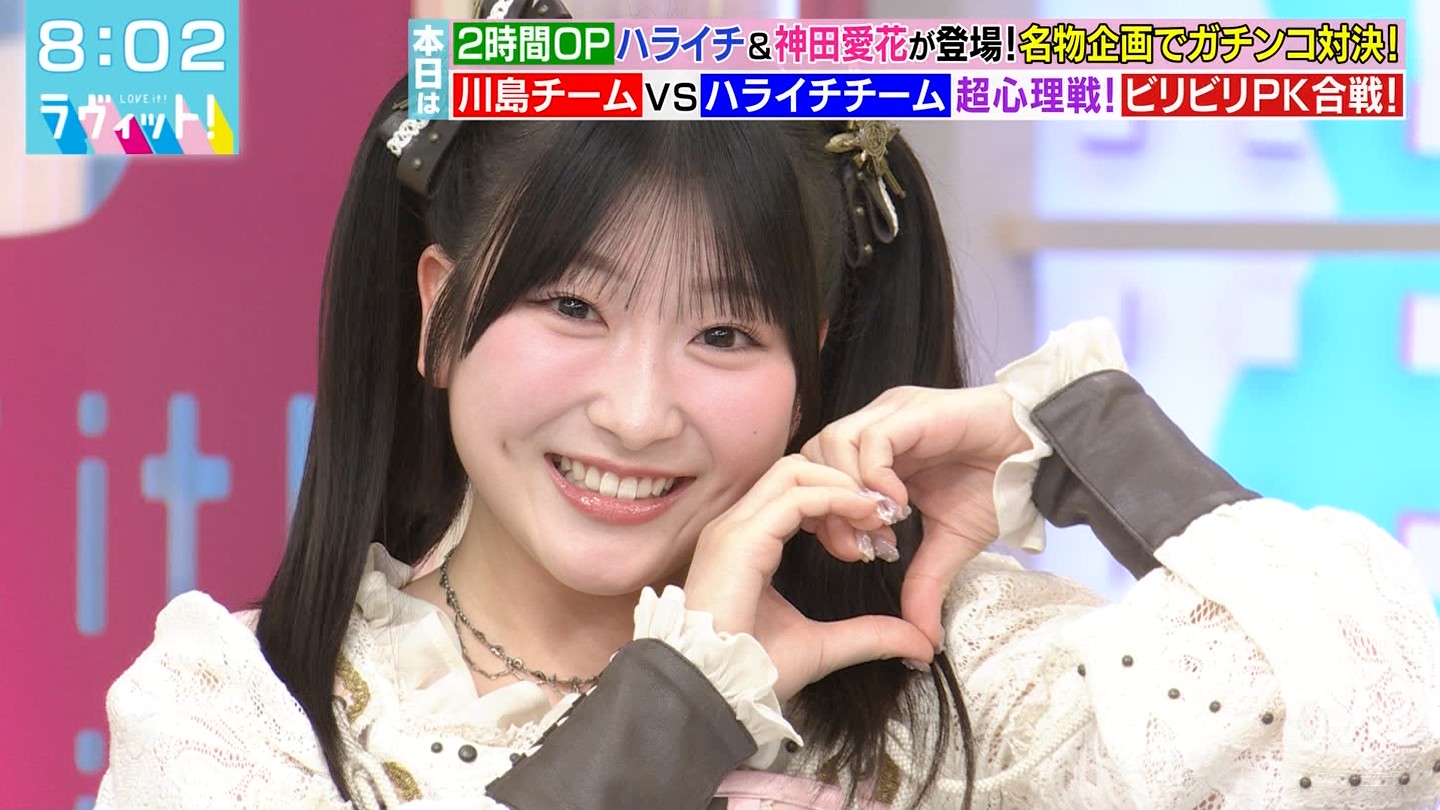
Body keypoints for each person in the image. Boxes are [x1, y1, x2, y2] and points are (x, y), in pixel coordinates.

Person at [93, 10, 1440, 809]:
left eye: (726, 333)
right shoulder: (243, 705)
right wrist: (682, 699)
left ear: (816, 359)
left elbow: (1376, 738)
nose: (637, 412)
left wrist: (1079, 436)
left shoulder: (939, 673)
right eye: (572, 306)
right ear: (439, 310)